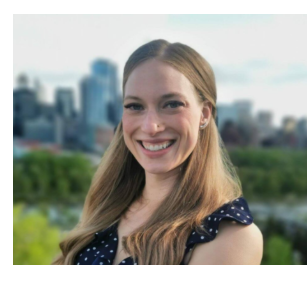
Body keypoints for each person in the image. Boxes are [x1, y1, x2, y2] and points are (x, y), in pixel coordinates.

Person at [55, 40, 263, 265]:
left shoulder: (231, 237)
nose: (150, 127)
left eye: (172, 104)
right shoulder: (107, 207)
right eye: (135, 106)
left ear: (204, 114)